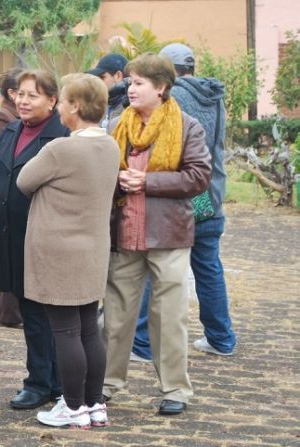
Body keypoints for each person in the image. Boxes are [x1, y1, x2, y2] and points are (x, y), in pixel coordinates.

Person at [103, 53, 211, 416]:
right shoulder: (117, 125)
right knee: (115, 315)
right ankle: (105, 384)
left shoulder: (187, 126)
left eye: (138, 83)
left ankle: (176, 390)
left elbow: (198, 178)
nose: (130, 88)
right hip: (125, 232)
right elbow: (102, 172)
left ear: (162, 88)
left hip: (168, 235)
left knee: (169, 316)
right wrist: (116, 181)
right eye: (130, 82)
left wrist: (147, 182)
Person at [16, 73, 119, 428]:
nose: (58, 107)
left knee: (66, 331)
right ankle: (94, 405)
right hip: (93, 249)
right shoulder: (110, 145)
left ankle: (72, 407)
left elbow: (24, 180)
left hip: (58, 251)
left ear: (75, 106)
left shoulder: (61, 148)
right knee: (89, 327)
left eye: (62, 101)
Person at [130, 44, 237, 362]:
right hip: (210, 197)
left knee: (153, 266)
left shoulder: (172, 99)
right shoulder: (213, 96)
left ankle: (141, 343)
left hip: (180, 199)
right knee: (208, 269)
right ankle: (221, 338)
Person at [0, 69, 67, 410]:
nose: (23, 100)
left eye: (32, 95)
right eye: (20, 93)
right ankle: (43, 380)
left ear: (52, 100)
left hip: (47, 235)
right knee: (29, 311)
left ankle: (52, 382)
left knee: (49, 314)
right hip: (12, 234)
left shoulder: (62, 136)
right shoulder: (9, 131)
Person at [0, 67, 23, 329]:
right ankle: (10, 315)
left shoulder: (18, 115)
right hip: (7, 194)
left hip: (18, 193)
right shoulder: (2, 116)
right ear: (12, 93)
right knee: (8, 253)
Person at [87, 53, 129, 127]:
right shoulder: (99, 106)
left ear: (118, 76)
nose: (98, 82)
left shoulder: (132, 107)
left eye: (102, 77)